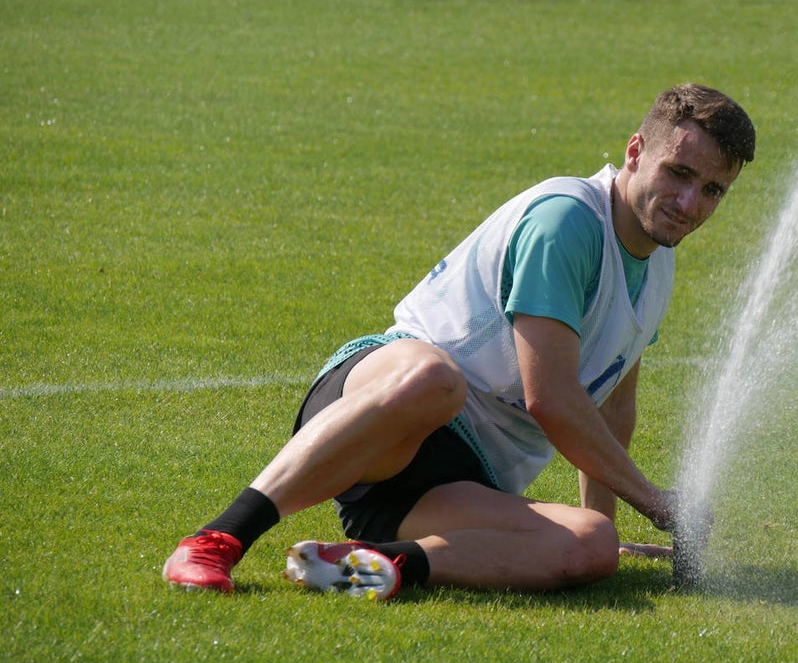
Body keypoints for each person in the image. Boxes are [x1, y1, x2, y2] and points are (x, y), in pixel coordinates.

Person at [162, 84, 756, 599]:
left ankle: (366, 568)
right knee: (435, 380)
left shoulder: (658, 264)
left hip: (446, 486)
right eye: (679, 173)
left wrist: (606, 522)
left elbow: (610, 406)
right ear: (635, 152)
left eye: (712, 190)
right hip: (384, 408)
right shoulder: (568, 221)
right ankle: (217, 539)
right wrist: (657, 502)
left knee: (592, 547)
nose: (689, 203)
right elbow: (550, 397)